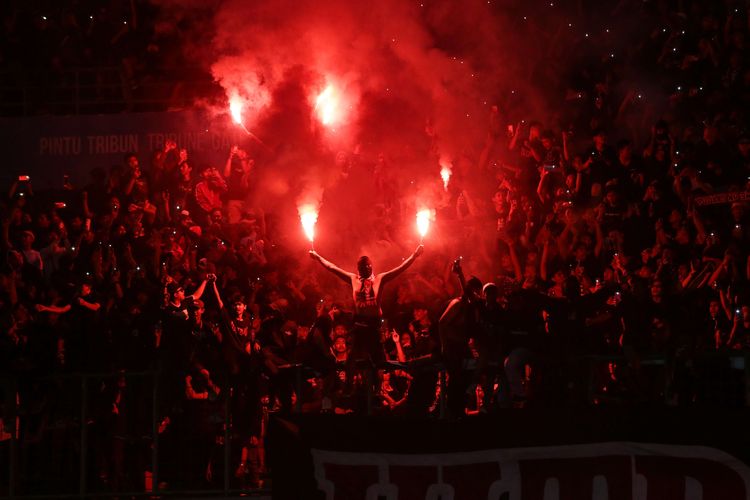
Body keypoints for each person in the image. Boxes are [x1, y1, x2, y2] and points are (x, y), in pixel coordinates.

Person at [309, 245, 424, 364]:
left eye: (369, 265)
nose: (367, 268)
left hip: (374, 325)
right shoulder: (353, 279)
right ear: (358, 268)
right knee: (353, 360)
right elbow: (332, 267)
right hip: (359, 324)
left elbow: (400, 269)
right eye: (363, 266)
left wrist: (414, 256)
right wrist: (318, 257)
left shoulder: (380, 279)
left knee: (379, 361)